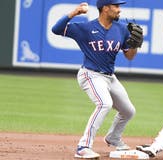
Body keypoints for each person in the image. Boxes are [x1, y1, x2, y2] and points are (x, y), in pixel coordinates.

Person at [52, 0, 143, 159]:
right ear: (105, 8)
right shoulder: (86, 28)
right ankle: (83, 146)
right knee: (104, 103)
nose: (119, 10)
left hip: (110, 77)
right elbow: (56, 29)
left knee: (129, 111)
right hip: (90, 74)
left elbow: (129, 56)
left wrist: (135, 44)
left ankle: (113, 137)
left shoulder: (121, 29)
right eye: (116, 6)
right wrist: (74, 12)